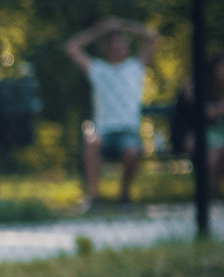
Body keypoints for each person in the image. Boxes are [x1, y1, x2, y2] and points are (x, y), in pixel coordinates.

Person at [65, 15, 159, 207]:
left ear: (127, 48)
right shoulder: (98, 69)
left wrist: (124, 24)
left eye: (121, 43)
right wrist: (102, 29)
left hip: (128, 132)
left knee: (132, 150)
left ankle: (124, 196)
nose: (118, 47)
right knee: (91, 142)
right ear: (107, 50)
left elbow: (153, 37)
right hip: (104, 132)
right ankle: (93, 198)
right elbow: (71, 47)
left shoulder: (136, 67)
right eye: (113, 44)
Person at [171, 52, 224, 194]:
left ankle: (213, 190)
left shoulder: (222, 88)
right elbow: (209, 112)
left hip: (211, 133)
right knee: (214, 150)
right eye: (223, 66)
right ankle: (206, 192)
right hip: (188, 133)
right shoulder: (194, 87)